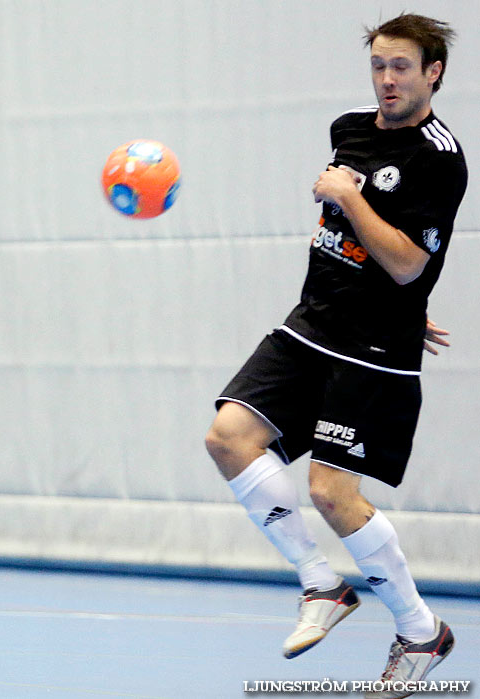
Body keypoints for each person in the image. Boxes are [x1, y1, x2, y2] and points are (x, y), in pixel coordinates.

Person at [204, 14, 465, 698]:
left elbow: (409, 263)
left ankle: (419, 630)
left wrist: (350, 198)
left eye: (401, 67)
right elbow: (378, 255)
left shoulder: (441, 158)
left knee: (330, 491)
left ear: (432, 72)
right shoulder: (347, 127)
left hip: (373, 349)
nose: (386, 79)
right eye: (379, 65)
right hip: (311, 322)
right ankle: (321, 583)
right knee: (229, 436)